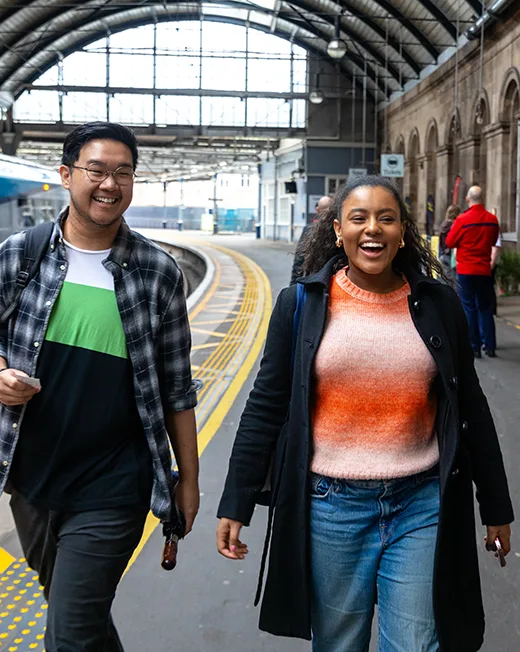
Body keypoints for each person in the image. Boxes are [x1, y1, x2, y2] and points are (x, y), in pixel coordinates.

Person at [216, 175, 513, 652]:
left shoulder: (440, 304)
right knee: (339, 643)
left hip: (421, 502)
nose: (372, 228)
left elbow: (471, 409)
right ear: (338, 231)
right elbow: (267, 406)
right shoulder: (302, 305)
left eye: (386, 218)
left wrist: (495, 507)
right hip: (331, 506)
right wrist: (237, 501)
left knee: (418, 643)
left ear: (403, 231)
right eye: (359, 218)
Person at [0, 122, 200, 651]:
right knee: (81, 620)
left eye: (123, 172)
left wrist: (188, 479)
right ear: (67, 174)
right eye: (96, 170)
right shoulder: (21, 255)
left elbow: (176, 387)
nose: (109, 184)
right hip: (30, 474)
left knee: (69, 632)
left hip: (114, 481)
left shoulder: (157, 272)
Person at [446, 186, 499, 358]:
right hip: (484, 269)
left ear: (468, 200)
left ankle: (474, 346)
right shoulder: (492, 220)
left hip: (466, 269)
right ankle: (490, 345)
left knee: (468, 307)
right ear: (483, 198)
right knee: (485, 307)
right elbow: (492, 240)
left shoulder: (462, 220)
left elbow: (450, 241)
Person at [290, 195, 332, 284]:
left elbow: (299, 259)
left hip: (312, 281)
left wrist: (293, 284)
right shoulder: (340, 230)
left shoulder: (309, 230)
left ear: (317, 210)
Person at [438, 204, 461, 283]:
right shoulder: (454, 225)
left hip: (443, 254)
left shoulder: (443, 225)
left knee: (445, 280)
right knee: (454, 282)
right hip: (452, 256)